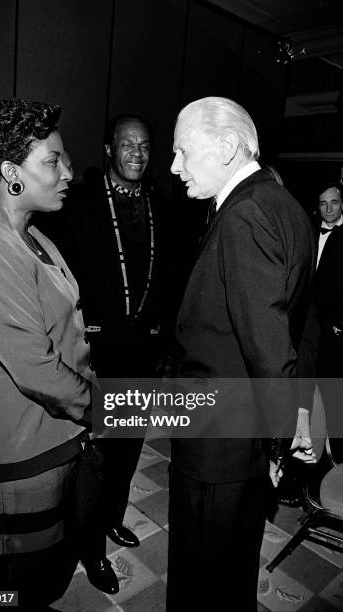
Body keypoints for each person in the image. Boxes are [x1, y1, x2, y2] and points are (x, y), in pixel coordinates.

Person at [167, 97, 317, 611]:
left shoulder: (245, 215)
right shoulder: (285, 205)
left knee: (202, 571)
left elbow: (266, 341)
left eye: (183, 151)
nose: (174, 166)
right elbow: (297, 326)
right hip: (246, 433)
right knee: (233, 561)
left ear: (227, 147)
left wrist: (284, 436)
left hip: (219, 438)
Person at [0, 98, 95, 609]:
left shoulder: (30, 235)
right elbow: (38, 371)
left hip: (53, 438)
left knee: (45, 574)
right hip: (18, 453)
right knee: (14, 587)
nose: (68, 171)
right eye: (53, 161)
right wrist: (107, 405)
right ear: (12, 172)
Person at [55, 114, 171, 594]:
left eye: (144, 146)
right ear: (109, 150)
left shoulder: (160, 204)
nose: (138, 155)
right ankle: (89, 547)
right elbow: (59, 280)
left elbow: (170, 272)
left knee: (127, 450)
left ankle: (111, 521)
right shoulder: (78, 205)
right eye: (128, 145)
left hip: (141, 352)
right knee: (96, 456)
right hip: (96, 353)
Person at [315, 182, 343, 462]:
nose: (329, 208)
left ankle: (338, 460)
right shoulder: (312, 232)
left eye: (334, 202)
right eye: (324, 203)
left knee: (335, 396)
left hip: (337, 332)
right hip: (314, 328)